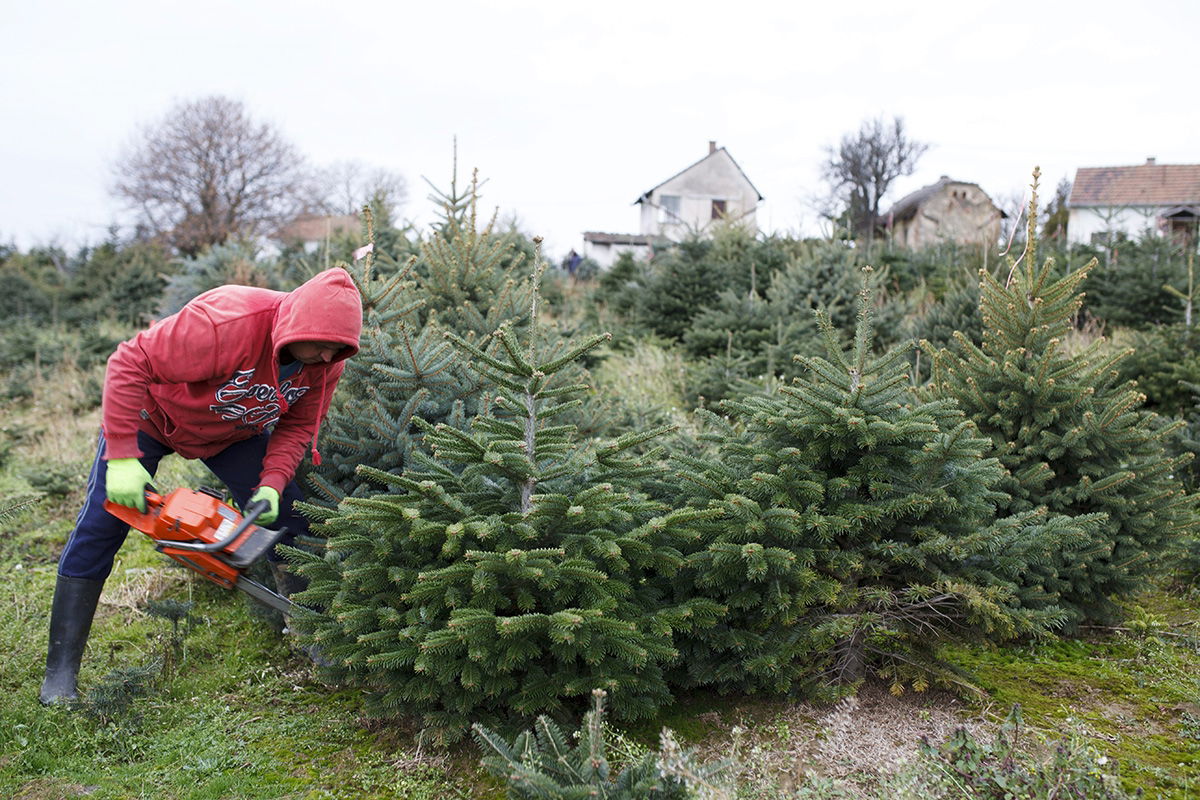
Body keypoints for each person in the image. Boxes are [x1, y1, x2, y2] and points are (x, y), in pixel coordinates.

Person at [40, 267, 363, 705]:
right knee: (102, 524)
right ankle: (59, 675)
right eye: (323, 345)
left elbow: (298, 426)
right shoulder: (226, 323)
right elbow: (128, 361)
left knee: (291, 517)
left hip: (229, 433)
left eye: (338, 351)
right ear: (297, 325)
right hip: (151, 418)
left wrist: (271, 483)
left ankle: (314, 637)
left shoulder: (325, 366)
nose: (327, 358)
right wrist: (121, 456)